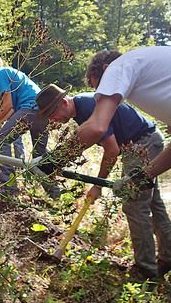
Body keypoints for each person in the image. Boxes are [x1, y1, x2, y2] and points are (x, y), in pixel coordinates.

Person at [36, 83, 171, 281]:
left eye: (51, 113)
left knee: (135, 206)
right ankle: (167, 257)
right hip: (146, 141)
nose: (52, 120)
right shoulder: (82, 108)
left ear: (63, 102)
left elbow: (112, 150)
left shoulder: (88, 106)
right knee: (152, 203)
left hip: (143, 144)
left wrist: (98, 185)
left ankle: (146, 271)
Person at [77, 46, 171, 185]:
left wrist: (52, 160)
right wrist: (139, 179)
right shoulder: (153, 69)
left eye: (100, 86)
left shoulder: (118, 66)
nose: (100, 93)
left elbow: (96, 127)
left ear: (105, 68)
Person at [0, 53, 58, 197]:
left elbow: (7, 104)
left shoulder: (0, 74)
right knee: (39, 154)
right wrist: (3, 122)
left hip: (29, 109)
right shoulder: (9, 71)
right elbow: (10, 109)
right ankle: (54, 191)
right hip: (42, 111)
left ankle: (8, 188)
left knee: (0, 142)